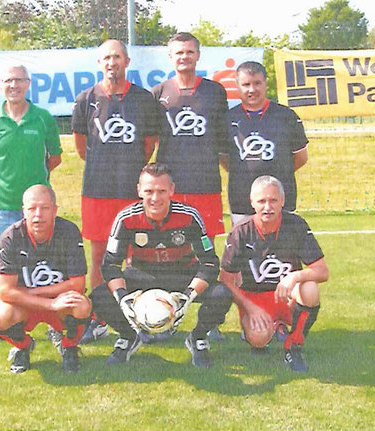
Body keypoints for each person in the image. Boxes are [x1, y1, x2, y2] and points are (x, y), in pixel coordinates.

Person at [90, 163, 233, 368]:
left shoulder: (189, 216)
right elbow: (110, 265)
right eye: (149, 191)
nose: (155, 198)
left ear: (172, 190)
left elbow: (210, 262)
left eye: (161, 191)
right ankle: (129, 337)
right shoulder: (126, 218)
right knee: (100, 296)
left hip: (182, 276)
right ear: (139, 190)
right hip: (142, 275)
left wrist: (188, 295)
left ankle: (198, 338)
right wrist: (123, 300)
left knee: (221, 294)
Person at [72, 39, 161, 344]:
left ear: (127, 61)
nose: (112, 63)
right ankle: (99, 318)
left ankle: (141, 317)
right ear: (100, 63)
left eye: (117, 57)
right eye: (107, 58)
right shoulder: (85, 99)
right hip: (97, 190)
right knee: (100, 258)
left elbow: (149, 144)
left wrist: (129, 167)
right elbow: (83, 148)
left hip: (131, 192)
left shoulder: (144, 99)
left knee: (137, 258)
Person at [0, 64, 63, 348]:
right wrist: (8, 183)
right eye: (8, 80)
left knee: (47, 266)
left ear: (28, 84)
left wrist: (34, 191)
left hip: (38, 208)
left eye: (19, 80)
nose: (14, 85)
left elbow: (55, 158)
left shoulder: (44, 118)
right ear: (1, 84)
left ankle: (55, 323)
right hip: (2, 206)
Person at [151, 32, 230, 341]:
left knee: (205, 254)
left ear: (198, 56)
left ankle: (208, 322)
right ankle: (163, 316)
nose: (183, 57)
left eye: (189, 52)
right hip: (171, 187)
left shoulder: (215, 92)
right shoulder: (158, 92)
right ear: (170, 58)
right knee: (168, 251)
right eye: (178, 52)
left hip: (205, 183)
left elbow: (223, 140)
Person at [219, 176, 328, 372]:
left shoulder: (296, 225)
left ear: (283, 201)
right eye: (261, 201)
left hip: (285, 295)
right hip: (254, 298)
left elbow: (322, 271)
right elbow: (225, 280)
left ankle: (294, 344)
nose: (267, 207)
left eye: (273, 200)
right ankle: (271, 327)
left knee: (310, 288)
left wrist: (295, 277)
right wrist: (250, 308)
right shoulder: (241, 232)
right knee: (259, 339)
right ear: (252, 202)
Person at [0, 184, 91, 374]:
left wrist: (34, 293)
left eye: (44, 208)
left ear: (54, 210)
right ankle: (24, 347)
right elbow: (4, 291)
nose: (38, 215)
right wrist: (48, 304)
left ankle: (69, 348)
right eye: (32, 208)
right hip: (26, 306)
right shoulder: (11, 237)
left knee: (81, 305)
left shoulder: (68, 232)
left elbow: (78, 284)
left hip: (55, 300)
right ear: (23, 211)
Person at [220, 61, 309, 226]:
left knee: (283, 249)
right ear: (237, 86)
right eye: (246, 84)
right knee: (244, 250)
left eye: (257, 83)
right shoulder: (227, 119)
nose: (252, 89)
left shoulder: (286, 116)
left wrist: (277, 171)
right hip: (242, 199)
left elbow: (301, 157)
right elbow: (225, 160)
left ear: (265, 83)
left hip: (281, 199)